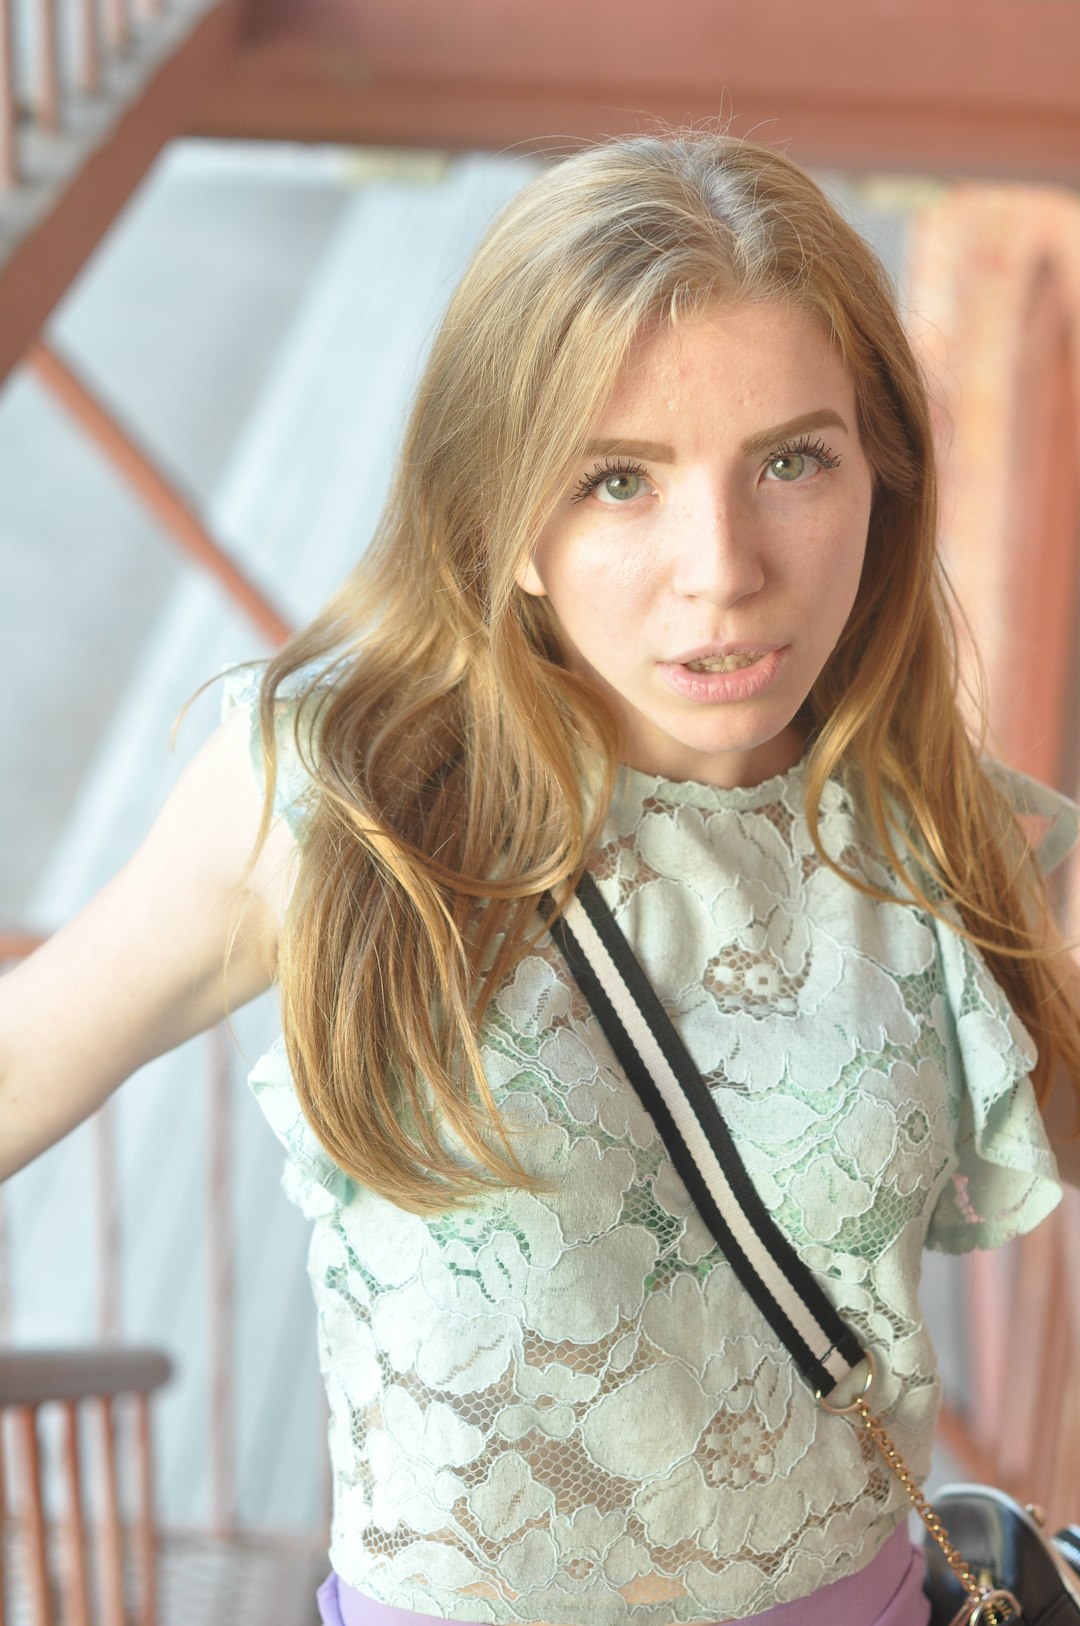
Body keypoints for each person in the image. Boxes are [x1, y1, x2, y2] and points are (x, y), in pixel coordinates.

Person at [3, 130, 1080, 1626]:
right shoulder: (332, 809)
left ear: (880, 479)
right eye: (618, 481)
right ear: (502, 522)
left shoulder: (972, 850)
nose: (722, 567)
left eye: (791, 461)